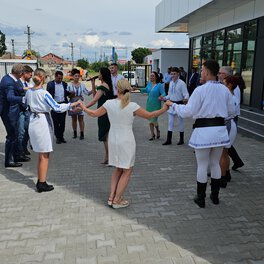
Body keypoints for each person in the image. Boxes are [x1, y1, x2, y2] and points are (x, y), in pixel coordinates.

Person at [79, 79, 168, 208]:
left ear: (117, 89)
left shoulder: (109, 103)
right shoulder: (132, 106)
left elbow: (93, 114)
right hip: (126, 140)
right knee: (127, 170)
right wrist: (165, 108)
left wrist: (83, 107)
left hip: (113, 140)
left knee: (117, 169)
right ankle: (117, 200)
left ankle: (111, 198)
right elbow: (150, 115)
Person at [165, 60, 235, 208]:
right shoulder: (224, 90)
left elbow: (187, 112)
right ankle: (215, 197)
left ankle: (201, 198)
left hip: (203, 132)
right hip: (220, 131)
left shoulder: (200, 90)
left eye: (202, 70)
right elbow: (231, 112)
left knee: (202, 165)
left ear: (208, 72)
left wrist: (173, 105)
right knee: (215, 163)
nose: (201, 73)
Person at [24, 68, 80, 192]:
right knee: (45, 154)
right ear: (43, 79)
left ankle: (40, 179)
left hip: (33, 120)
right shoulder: (44, 94)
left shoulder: (29, 92)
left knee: (40, 153)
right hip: (42, 122)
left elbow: (25, 103)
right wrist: (72, 105)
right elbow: (57, 107)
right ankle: (42, 183)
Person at [85, 67, 114, 164]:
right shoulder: (105, 85)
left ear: (103, 75)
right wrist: (93, 84)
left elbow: (94, 100)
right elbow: (95, 96)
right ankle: (108, 156)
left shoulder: (103, 86)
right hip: (105, 112)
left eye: (99, 73)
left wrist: (83, 107)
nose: (98, 74)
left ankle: (109, 157)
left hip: (104, 113)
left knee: (105, 136)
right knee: (105, 135)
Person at [218, 66, 244, 170]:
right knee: (226, 146)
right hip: (226, 118)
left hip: (230, 118)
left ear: (228, 76)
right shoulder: (222, 86)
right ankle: (231, 165)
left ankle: (223, 171)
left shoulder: (234, 89)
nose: (219, 75)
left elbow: (234, 105)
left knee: (226, 146)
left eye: (221, 73)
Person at [0, 64, 26, 167]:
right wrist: (23, 99)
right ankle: (8, 161)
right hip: (8, 113)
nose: (22, 75)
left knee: (15, 135)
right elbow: (10, 97)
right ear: (19, 73)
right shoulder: (9, 83)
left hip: (11, 112)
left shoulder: (8, 77)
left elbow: (18, 89)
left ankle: (16, 156)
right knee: (11, 136)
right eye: (22, 73)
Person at [160, 67, 189, 145]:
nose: (172, 75)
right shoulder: (171, 83)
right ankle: (169, 140)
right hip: (171, 104)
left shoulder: (182, 83)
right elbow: (169, 95)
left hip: (179, 104)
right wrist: (164, 98)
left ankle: (181, 139)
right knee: (170, 122)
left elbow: (186, 94)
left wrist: (186, 99)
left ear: (178, 74)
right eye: (171, 74)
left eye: (174, 74)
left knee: (180, 122)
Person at [220, 75, 239, 187]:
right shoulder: (231, 96)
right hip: (228, 124)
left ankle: (222, 178)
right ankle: (226, 174)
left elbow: (228, 113)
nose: (222, 84)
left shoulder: (231, 97)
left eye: (224, 83)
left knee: (223, 153)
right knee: (225, 153)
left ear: (230, 85)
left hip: (228, 124)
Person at [67, 68, 94, 140]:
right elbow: (67, 94)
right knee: (74, 119)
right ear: (72, 76)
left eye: (78, 76)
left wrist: (93, 87)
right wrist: (70, 94)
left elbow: (88, 93)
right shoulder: (69, 85)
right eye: (75, 76)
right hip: (72, 102)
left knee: (81, 118)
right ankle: (75, 132)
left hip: (80, 102)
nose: (77, 77)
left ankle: (82, 133)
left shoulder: (82, 85)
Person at [140, 71, 166, 140]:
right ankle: (152, 134)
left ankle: (157, 130)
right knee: (150, 119)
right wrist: (137, 89)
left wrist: (161, 96)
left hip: (156, 104)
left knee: (153, 119)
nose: (151, 77)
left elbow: (164, 93)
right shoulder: (149, 84)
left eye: (153, 76)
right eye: (150, 76)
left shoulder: (159, 85)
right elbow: (145, 90)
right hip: (149, 104)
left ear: (156, 77)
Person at [47, 71, 70, 144]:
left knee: (62, 122)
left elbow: (67, 93)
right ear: (55, 77)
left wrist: (71, 93)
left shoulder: (64, 84)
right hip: (54, 105)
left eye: (61, 78)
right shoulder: (50, 84)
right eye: (59, 78)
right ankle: (57, 137)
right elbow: (48, 95)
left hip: (63, 104)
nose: (60, 80)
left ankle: (61, 136)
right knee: (55, 122)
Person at [17, 65, 33, 158]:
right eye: (30, 75)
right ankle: (19, 152)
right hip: (20, 111)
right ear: (24, 74)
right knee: (21, 132)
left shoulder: (28, 83)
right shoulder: (18, 83)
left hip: (27, 110)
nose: (31, 76)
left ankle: (24, 148)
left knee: (27, 131)